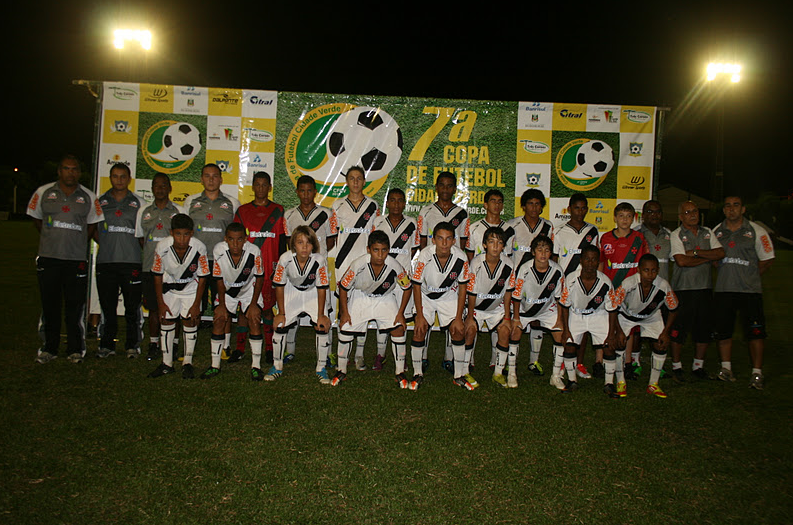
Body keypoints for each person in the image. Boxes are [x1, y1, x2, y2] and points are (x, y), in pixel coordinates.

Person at [27, 154, 103, 364]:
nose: (71, 172)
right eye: (66, 169)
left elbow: (92, 224)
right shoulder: (43, 192)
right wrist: (51, 239)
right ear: (59, 171)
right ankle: (49, 348)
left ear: (79, 172)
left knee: (75, 306)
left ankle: (75, 349)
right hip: (49, 258)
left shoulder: (89, 196)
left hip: (75, 260)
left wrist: (78, 243)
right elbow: (36, 218)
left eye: (75, 169)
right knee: (50, 305)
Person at [332, 230, 412, 387]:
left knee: (398, 329)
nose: (380, 255)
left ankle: (399, 372)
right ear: (369, 249)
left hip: (385, 298)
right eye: (376, 250)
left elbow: (407, 287)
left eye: (384, 250)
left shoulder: (394, 265)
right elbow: (343, 287)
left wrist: (401, 313)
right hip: (361, 297)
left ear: (388, 250)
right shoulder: (358, 264)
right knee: (345, 328)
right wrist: (345, 312)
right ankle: (341, 371)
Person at [712, 196, 775, 389]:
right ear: (724, 210)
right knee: (724, 331)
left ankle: (757, 373)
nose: (732, 209)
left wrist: (749, 276)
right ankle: (726, 369)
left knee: (755, 333)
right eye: (728, 206)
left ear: (743, 209)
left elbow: (767, 258)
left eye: (736, 205)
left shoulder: (756, 231)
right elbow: (712, 258)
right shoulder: (716, 232)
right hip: (724, 290)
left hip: (750, 291)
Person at [417, 171, 470, 371]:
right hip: (431, 268)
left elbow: (464, 243)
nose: (446, 189)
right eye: (442, 185)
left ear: (455, 189)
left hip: (453, 270)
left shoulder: (462, 213)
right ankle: (422, 356)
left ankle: (449, 357)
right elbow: (422, 242)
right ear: (437, 187)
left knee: (453, 318)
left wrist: (461, 269)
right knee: (426, 316)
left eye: (450, 186)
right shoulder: (426, 211)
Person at [147, 214, 210, 379]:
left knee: (190, 320)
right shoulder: (162, 247)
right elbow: (157, 275)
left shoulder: (199, 248)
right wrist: (160, 303)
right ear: (171, 232)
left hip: (190, 289)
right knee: (167, 320)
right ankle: (166, 363)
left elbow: (203, 277)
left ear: (192, 233)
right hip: (170, 289)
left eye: (186, 234)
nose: (182, 239)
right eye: (178, 234)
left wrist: (196, 304)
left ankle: (187, 362)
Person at [329, 166, 379, 370]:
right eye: (352, 178)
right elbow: (332, 237)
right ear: (347, 182)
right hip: (342, 264)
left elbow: (374, 236)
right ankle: (342, 354)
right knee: (343, 309)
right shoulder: (337, 205)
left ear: (364, 182)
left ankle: (359, 354)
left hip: (365, 264)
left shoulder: (373, 205)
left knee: (362, 308)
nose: (356, 182)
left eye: (359, 178)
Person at [409, 221, 470, 390]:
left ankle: (459, 375)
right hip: (426, 296)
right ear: (433, 240)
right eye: (440, 238)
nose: (444, 243)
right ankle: (417, 373)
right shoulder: (424, 256)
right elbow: (416, 285)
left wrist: (459, 317)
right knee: (420, 330)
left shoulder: (461, 258)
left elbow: (463, 287)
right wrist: (420, 316)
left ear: (454, 241)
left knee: (458, 330)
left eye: (448, 238)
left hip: (447, 296)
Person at [200, 222, 265, 380]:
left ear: (246, 239)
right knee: (219, 319)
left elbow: (259, 277)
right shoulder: (218, 250)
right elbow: (219, 280)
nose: (235, 244)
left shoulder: (254, 251)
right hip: (228, 292)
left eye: (239, 239)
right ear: (225, 239)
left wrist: (254, 303)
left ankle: (256, 366)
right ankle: (215, 365)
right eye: (231, 239)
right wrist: (222, 305)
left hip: (249, 290)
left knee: (254, 319)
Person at [233, 172, 286, 364]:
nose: (261, 188)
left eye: (265, 185)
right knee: (244, 309)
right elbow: (235, 240)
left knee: (267, 309)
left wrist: (279, 267)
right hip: (247, 270)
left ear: (269, 187)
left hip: (270, 268)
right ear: (253, 187)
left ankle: (270, 349)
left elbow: (281, 242)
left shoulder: (278, 210)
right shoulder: (243, 211)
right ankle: (239, 348)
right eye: (258, 184)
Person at [669, 201, 724, 381]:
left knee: (703, 329)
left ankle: (698, 366)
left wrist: (695, 253)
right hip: (683, 289)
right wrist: (706, 257)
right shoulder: (676, 235)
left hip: (705, 288)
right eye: (687, 212)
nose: (692, 215)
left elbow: (720, 253)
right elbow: (681, 262)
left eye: (694, 211)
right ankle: (676, 365)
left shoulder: (707, 232)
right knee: (679, 329)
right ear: (681, 217)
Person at [283, 175, 336, 364]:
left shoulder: (326, 213)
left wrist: (317, 256)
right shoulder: (289, 215)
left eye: (309, 190)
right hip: (297, 269)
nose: (306, 194)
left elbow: (330, 240)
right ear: (297, 192)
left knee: (324, 311)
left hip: (318, 269)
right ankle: (289, 350)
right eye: (302, 190)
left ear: (315, 192)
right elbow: (289, 242)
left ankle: (327, 353)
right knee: (292, 310)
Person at [94, 163, 145, 359]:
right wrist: (108, 243)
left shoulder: (138, 203)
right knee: (108, 307)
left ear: (129, 179)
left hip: (131, 262)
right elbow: (95, 231)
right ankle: (107, 345)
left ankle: (132, 345)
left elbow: (141, 235)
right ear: (110, 178)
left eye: (123, 176)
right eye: (115, 176)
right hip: (106, 262)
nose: (119, 180)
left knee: (132, 308)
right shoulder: (100, 202)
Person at [269, 226, 332, 383]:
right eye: (300, 242)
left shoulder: (319, 260)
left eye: (308, 243)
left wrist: (321, 315)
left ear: (314, 245)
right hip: (292, 291)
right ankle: (277, 366)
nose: (304, 247)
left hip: (312, 292)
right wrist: (281, 313)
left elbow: (322, 288)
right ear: (293, 244)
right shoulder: (285, 259)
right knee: (280, 325)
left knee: (321, 326)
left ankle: (321, 367)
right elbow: (279, 286)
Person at [614, 254, 679, 398]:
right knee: (619, 344)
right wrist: (618, 331)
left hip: (651, 317)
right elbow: (613, 307)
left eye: (654, 271)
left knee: (660, 345)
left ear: (658, 270)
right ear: (639, 270)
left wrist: (666, 332)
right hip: (626, 316)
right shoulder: (628, 284)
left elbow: (673, 309)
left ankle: (653, 384)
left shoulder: (663, 286)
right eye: (646, 270)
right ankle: (620, 382)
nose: (650, 274)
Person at [557, 245, 620, 396]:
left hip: (598, 315)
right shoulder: (571, 279)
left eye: (594, 260)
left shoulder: (605, 282)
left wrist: (611, 334)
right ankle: (572, 381)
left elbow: (612, 310)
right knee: (570, 346)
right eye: (587, 259)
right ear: (581, 260)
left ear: (598, 262)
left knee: (609, 347)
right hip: (576, 315)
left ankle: (609, 383)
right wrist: (566, 329)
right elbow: (565, 306)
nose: (590, 263)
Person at [182, 164, 240, 325]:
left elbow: (237, 234)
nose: (211, 179)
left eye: (215, 176)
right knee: (193, 302)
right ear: (201, 179)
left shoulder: (232, 203)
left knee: (223, 302)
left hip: (221, 261)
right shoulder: (190, 201)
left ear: (221, 179)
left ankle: (224, 342)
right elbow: (183, 231)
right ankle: (190, 341)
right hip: (195, 260)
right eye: (207, 176)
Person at [135, 173, 183, 360]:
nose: (160, 189)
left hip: (174, 270)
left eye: (164, 186)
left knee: (175, 308)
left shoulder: (178, 211)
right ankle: (154, 343)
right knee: (154, 308)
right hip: (150, 268)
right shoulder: (143, 211)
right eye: (157, 185)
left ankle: (174, 343)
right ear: (152, 188)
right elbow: (141, 239)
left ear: (170, 188)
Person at [370, 187, 419, 370]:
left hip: (403, 279)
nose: (396, 204)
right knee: (383, 317)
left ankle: (401, 357)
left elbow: (413, 249)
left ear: (404, 204)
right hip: (381, 277)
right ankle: (380, 355)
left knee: (401, 318)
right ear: (387, 203)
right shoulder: (378, 221)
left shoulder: (412, 223)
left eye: (400, 200)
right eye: (393, 200)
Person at [598, 202, 648, 377]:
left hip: (632, 289)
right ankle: (602, 360)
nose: (624, 219)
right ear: (614, 217)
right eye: (621, 216)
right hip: (612, 288)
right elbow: (601, 262)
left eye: (628, 216)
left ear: (633, 218)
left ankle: (627, 362)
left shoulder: (639, 238)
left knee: (629, 325)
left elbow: (644, 264)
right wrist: (600, 283)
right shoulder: (605, 238)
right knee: (607, 324)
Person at [510, 235, 566, 389]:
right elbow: (516, 296)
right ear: (533, 252)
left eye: (547, 250)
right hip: (524, 309)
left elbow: (560, 297)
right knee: (515, 331)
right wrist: (516, 318)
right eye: (539, 250)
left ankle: (555, 376)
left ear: (551, 253)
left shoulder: (557, 270)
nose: (543, 254)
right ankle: (512, 373)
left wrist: (559, 319)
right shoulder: (525, 269)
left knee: (560, 333)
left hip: (546, 309)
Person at [553, 193, 599, 379]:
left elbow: (597, 258)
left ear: (586, 210)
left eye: (583, 208)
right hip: (566, 284)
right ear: (569, 208)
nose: (580, 212)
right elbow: (554, 260)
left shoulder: (593, 231)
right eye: (576, 208)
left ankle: (579, 363)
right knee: (566, 324)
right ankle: (565, 361)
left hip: (586, 284)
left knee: (584, 322)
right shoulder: (558, 231)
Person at [465, 227, 515, 389]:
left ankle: (498, 373)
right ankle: (465, 370)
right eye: (491, 242)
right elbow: (471, 292)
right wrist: (470, 317)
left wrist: (507, 317)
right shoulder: (476, 263)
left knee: (505, 330)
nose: (495, 246)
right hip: (477, 308)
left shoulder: (508, 264)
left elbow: (508, 292)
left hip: (496, 308)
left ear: (503, 247)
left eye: (499, 243)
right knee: (470, 330)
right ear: (484, 245)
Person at [631, 199, 673, 377]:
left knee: (659, 326)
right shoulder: (636, 235)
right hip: (641, 290)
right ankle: (635, 361)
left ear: (661, 215)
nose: (653, 215)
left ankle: (659, 363)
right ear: (643, 215)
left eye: (657, 212)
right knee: (636, 328)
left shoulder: (670, 235)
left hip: (661, 291)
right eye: (649, 212)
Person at [466, 189, 509, 260]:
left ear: (502, 206)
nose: (497, 204)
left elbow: (508, 254)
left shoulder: (508, 229)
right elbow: (470, 254)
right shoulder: (474, 228)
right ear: (486, 205)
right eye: (493, 201)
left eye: (499, 202)